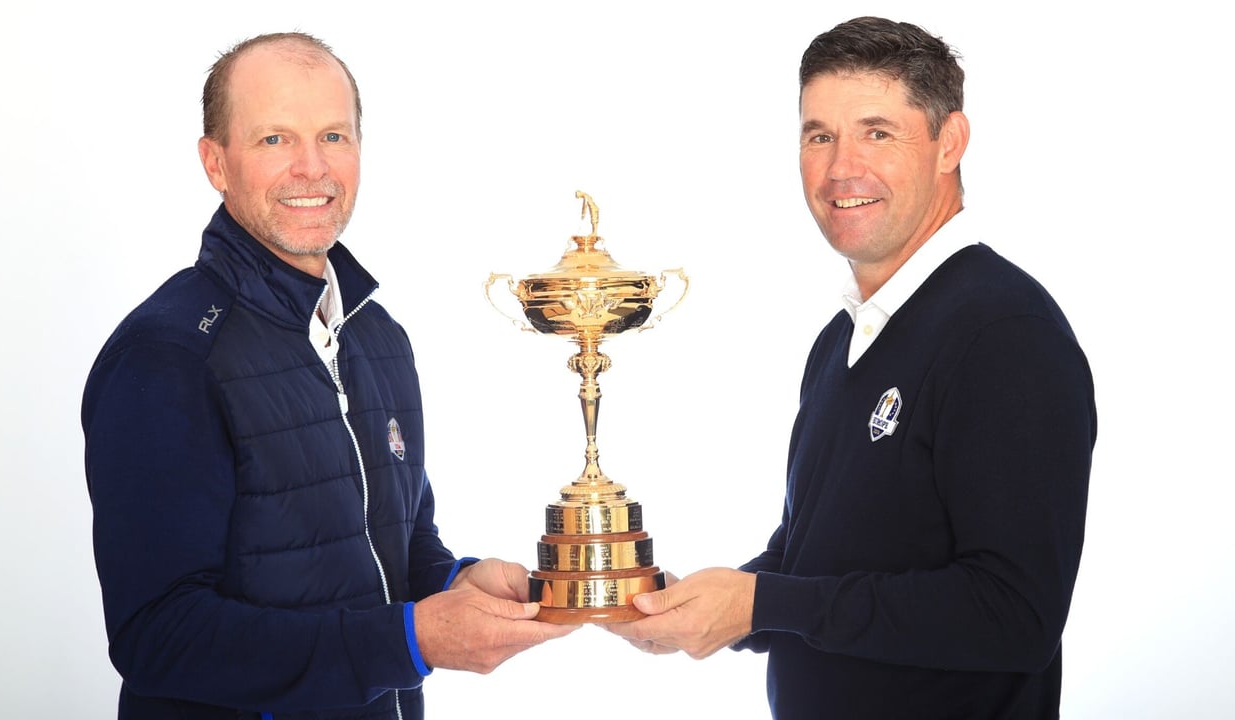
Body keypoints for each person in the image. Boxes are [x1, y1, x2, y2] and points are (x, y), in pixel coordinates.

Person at [607, 16, 1096, 719]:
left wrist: (764, 603)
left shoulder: (1003, 333)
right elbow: (816, 560)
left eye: (878, 133)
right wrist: (707, 608)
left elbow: (1014, 616)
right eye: (819, 136)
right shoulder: (844, 338)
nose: (841, 168)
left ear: (950, 143)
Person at [81, 32, 574, 720]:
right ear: (215, 162)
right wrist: (409, 639)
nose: (311, 168)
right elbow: (159, 637)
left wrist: (457, 583)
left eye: (333, 136)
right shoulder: (168, 354)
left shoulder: (378, 336)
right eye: (274, 139)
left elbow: (397, 545)